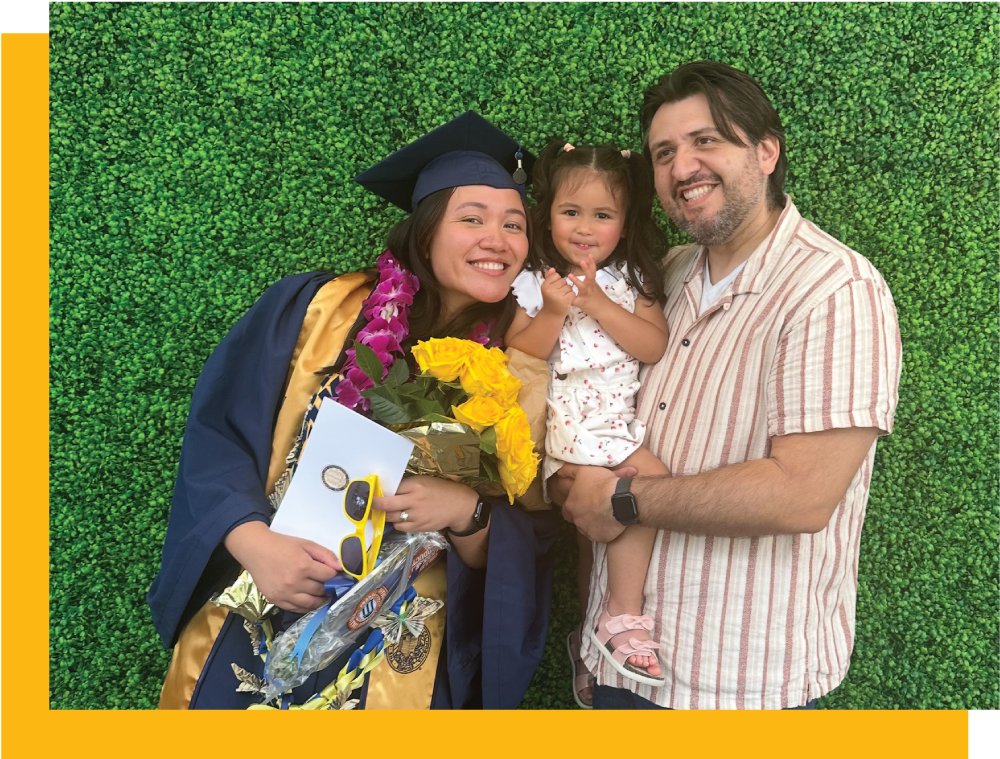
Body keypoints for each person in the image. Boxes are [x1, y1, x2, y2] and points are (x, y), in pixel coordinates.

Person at [147, 111, 561, 709]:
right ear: (424, 231)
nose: (498, 240)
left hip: (400, 649)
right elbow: (220, 433)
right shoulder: (317, 308)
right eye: (471, 219)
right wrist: (254, 545)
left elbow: (541, 531)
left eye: (515, 224)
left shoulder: (523, 365)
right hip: (269, 598)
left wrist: (468, 513)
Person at [552, 61, 902, 710]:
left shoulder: (834, 289)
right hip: (614, 658)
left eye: (706, 140)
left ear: (766, 151)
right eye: (664, 153)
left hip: (733, 684)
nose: (682, 167)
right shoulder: (665, 276)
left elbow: (801, 494)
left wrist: (623, 499)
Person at [505, 141, 671, 704]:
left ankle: (592, 637)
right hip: (569, 429)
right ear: (546, 213)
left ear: (624, 225)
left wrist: (599, 302)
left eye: (602, 215)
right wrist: (555, 309)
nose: (584, 227)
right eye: (570, 212)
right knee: (641, 491)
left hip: (616, 426)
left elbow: (652, 344)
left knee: (600, 535)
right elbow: (521, 349)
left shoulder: (632, 279)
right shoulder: (535, 280)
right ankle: (621, 617)